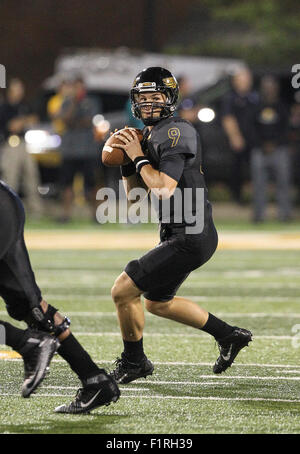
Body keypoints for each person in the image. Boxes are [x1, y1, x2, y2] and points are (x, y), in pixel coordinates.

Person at [108, 67, 252, 383]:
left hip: (190, 234)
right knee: (158, 303)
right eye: (142, 98)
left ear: (170, 98)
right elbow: (134, 200)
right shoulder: (149, 135)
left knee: (122, 291)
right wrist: (126, 161)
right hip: (179, 232)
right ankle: (229, 336)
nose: (148, 104)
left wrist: (138, 156)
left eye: (155, 97)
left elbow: (162, 188)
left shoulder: (176, 132)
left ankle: (134, 363)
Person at [0, 179, 120, 413]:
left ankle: (26, 343)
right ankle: (94, 379)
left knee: (30, 307)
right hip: (5, 204)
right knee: (30, 307)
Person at [57, 77, 99, 222]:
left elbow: (89, 121)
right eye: (75, 87)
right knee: (67, 184)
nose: (77, 91)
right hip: (70, 151)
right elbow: (64, 119)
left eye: (80, 88)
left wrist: (75, 122)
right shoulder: (67, 102)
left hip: (87, 150)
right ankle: (65, 215)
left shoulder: (92, 102)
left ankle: (95, 215)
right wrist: (73, 104)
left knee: (91, 185)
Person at [0, 78, 43, 217]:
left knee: (31, 176)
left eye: (20, 89)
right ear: (10, 91)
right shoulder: (5, 107)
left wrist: (22, 121)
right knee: (10, 179)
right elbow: (12, 126)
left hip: (24, 144)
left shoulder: (24, 105)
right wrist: (24, 120)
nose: (19, 92)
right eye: (16, 89)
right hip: (10, 145)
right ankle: (8, 212)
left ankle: (36, 211)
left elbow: (35, 119)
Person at [251, 75, 291, 222]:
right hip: (259, 150)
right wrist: (262, 144)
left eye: (271, 87)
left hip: (279, 150)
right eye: (266, 87)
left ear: (276, 89)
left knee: (283, 183)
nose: (269, 90)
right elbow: (251, 128)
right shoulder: (256, 107)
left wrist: (275, 143)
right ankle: (259, 216)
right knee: (259, 184)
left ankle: (285, 214)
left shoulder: (282, 107)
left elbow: (286, 129)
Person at [221, 68, 259, 204]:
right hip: (238, 139)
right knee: (237, 169)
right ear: (235, 82)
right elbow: (227, 118)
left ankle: (256, 198)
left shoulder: (255, 97)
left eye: (247, 79)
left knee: (255, 169)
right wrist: (235, 136)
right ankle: (237, 198)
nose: (245, 82)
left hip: (254, 140)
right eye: (242, 79)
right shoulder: (230, 97)